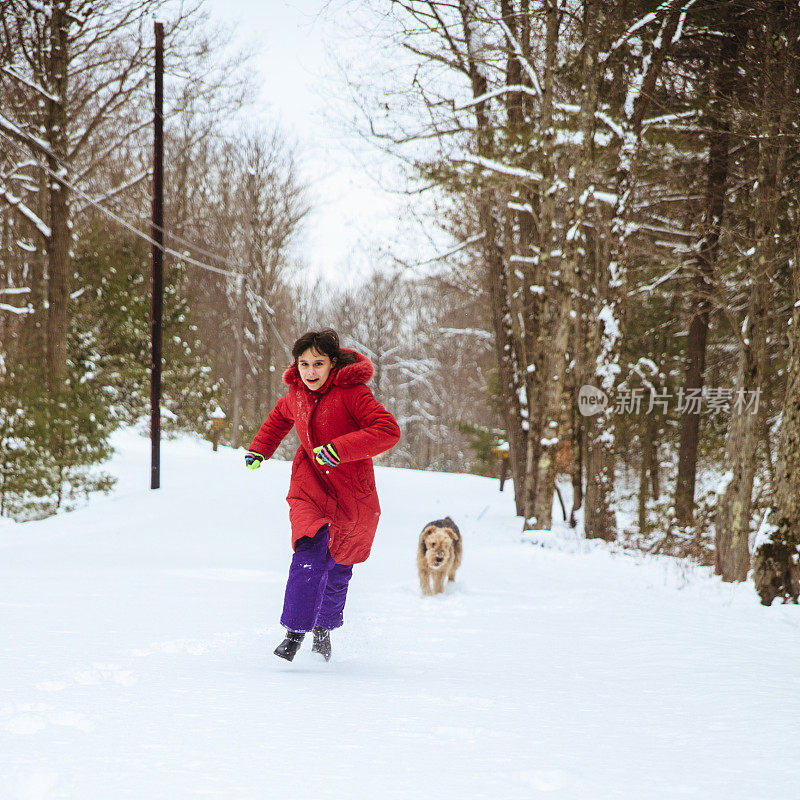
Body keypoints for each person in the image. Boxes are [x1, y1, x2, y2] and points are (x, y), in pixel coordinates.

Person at [245, 329, 401, 662]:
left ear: (333, 363)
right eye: (304, 364)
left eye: (318, 363)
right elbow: (277, 420)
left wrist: (340, 449)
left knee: (340, 563)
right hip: (309, 484)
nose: (311, 372)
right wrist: (260, 449)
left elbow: (388, 430)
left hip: (351, 490)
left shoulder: (353, 394)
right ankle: (293, 633)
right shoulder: (295, 394)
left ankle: (322, 628)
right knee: (309, 547)